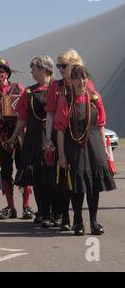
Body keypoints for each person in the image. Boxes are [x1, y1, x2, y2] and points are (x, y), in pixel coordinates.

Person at [55, 65, 116, 235]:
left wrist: (104, 149)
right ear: (71, 81)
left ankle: (94, 221)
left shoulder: (95, 98)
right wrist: (61, 155)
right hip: (74, 146)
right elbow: (60, 129)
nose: (81, 81)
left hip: (95, 145)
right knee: (77, 185)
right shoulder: (66, 100)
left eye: (84, 77)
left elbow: (102, 124)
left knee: (93, 186)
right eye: (77, 77)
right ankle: (78, 221)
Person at [44, 49, 95, 231]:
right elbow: (49, 114)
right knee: (63, 179)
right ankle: (64, 215)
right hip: (61, 135)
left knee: (77, 179)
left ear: (75, 65)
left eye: (63, 65)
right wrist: (48, 139)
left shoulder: (86, 85)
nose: (60, 69)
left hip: (82, 138)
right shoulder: (55, 86)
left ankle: (77, 218)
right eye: (58, 66)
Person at [10, 56, 56, 227]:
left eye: (34, 69)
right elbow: (22, 118)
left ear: (43, 69)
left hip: (53, 136)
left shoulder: (57, 87)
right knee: (37, 175)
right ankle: (42, 211)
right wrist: (14, 136)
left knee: (52, 174)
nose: (31, 72)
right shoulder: (29, 92)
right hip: (35, 137)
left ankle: (55, 212)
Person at [0, 59, 33, 220]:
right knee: (5, 172)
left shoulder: (17, 88)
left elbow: (25, 109)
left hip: (19, 134)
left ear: (7, 73)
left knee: (23, 170)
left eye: (1, 71)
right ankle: (11, 207)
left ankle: (26, 206)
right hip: (1, 136)